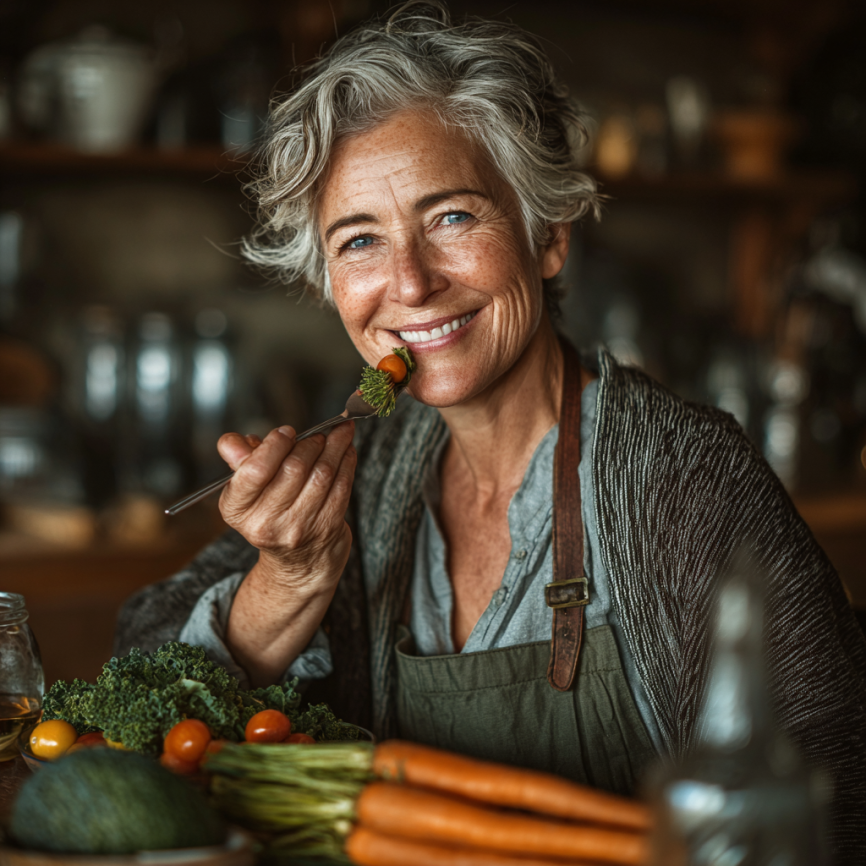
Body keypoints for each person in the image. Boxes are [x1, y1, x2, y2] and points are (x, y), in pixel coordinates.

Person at [115, 3, 866, 860]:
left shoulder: (684, 474)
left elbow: (833, 801)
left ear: (548, 236)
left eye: (452, 218)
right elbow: (134, 687)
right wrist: (284, 584)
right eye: (359, 241)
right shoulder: (361, 469)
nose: (410, 283)